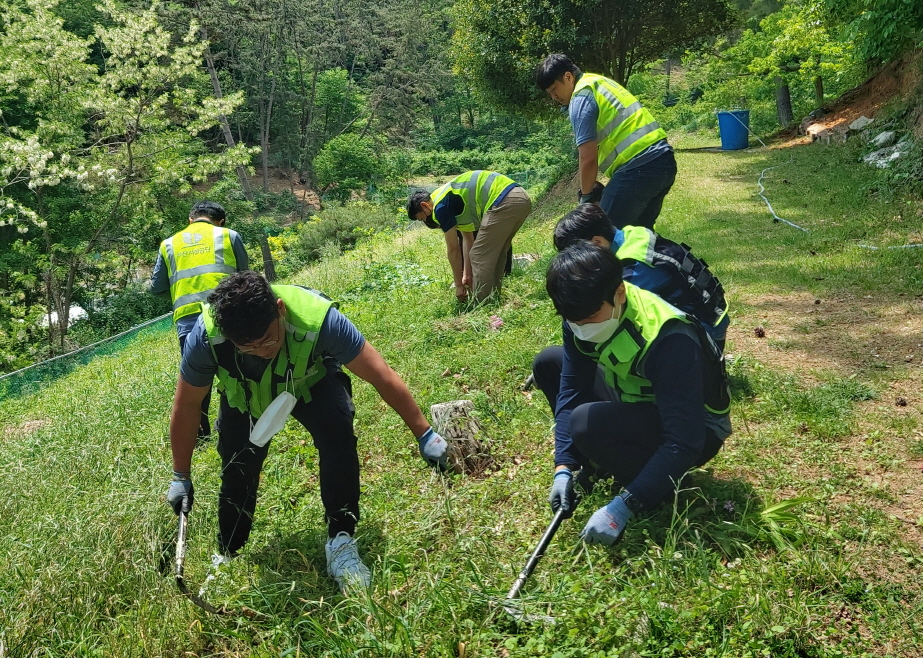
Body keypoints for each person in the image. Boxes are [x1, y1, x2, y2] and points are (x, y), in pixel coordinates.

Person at [164, 271, 449, 592]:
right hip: (245, 397)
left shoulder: (321, 320)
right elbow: (187, 405)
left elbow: (380, 375)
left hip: (311, 381)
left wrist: (424, 434)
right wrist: (180, 475)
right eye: (248, 346)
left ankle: (341, 541)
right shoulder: (205, 338)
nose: (261, 350)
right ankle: (228, 554)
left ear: (280, 309)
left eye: (268, 339)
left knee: (337, 435)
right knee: (238, 469)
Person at [532, 242, 731, 546]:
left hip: (696, 430)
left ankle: (661, 487)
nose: (581, 328)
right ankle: (596, 464)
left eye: (590, 318)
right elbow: (571, 390)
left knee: (585, 422)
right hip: (638, 401)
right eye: (574, 321)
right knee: (549, 363)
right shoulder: (580, 312)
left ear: (619, 293)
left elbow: (684, 441)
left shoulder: (668, 337)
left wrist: (623, 505)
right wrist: (564, 466)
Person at [553, 204, 729, 351]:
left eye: (578, 254)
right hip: (713, 315)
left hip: (704, 337)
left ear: (597, 242)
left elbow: (617, 318)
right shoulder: (633, 235)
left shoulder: (630, 269)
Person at [535, 54, 676, 230]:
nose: (554, 97)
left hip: (638, 166)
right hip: (663, 160)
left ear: (568, 77)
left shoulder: (581, 98)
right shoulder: (598, 82)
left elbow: (588, 158)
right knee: (639, 238)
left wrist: (585, 198)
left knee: (602, 234)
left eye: (554, 89)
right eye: (549, 93)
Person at [150, 201, 248, 438]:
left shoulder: (169, 244)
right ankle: (239, 427)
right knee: (237, 374)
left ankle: (201, 435)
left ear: (190, 219)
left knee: (196, 382)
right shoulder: (229, 236)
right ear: (220, 221)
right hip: (227, 316)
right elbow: (245, 278)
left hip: (188, 322)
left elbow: (156, 288)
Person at [407, 170, 531, 303]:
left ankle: (482, 305)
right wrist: (466, 275)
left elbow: (453, 249)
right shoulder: (452, 200)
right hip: (521, 198)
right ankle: (494, 299)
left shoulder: (440, 207)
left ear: (424, 205)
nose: (427, 222)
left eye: (423, 218)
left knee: (480, 254)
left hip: (504, 199)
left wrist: (459, 286)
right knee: (497, 252)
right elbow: (468, 240)